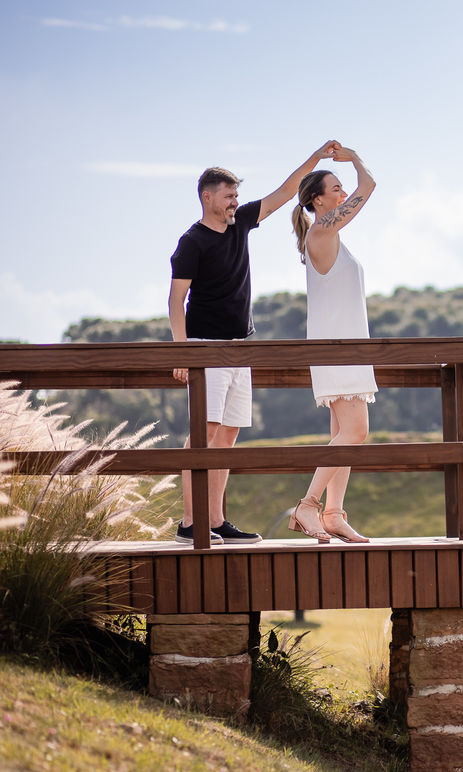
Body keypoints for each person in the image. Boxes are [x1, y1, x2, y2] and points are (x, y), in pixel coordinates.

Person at [168, 141, 341, 545]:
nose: (234, 203)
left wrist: (315, 159)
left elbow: (284, 192)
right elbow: (177, 300)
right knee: (203, 433)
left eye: (236, 197)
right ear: (207, 197)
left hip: (241, 348)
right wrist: (180, 350)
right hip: (205, 347)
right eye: (228, 196)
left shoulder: (242, 222)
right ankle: (190, 524)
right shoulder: (191, 241)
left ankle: (215, 521)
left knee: (228, 435)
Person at [286, 145, 377, 543]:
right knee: (355, 432)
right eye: (336, 189)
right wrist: (354, 159)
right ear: (317, 200)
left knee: (345, 433)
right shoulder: (322, 232)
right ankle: (308, 505)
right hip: (338, 351)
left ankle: (334, 514)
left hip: (347, 348)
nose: (343, 195)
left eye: (343, 189)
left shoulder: (324, 235)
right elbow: (369, 185)